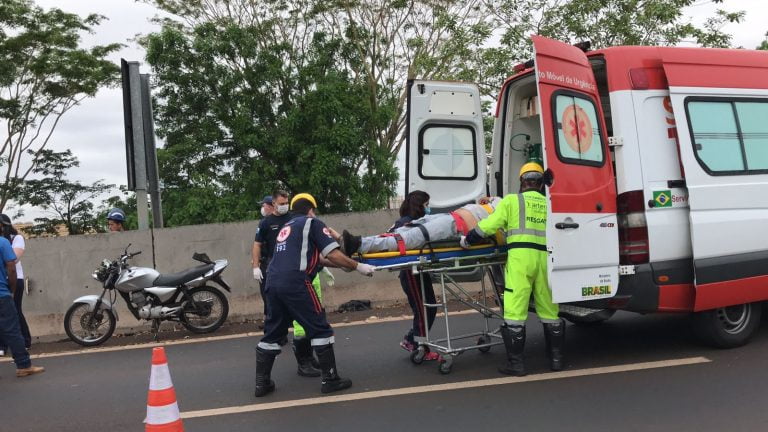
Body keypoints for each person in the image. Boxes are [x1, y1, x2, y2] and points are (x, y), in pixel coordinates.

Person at [255, 193, 376, 397]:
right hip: (297, 283)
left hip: (273, 283)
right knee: (320, 329)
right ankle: (330, 380)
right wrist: (359, 266)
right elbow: (333, 253)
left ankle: (261, 384)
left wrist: (344, 266)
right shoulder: (312, 223)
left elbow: (317, 258)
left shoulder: (287, 227)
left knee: (273, 332)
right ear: (311, 210)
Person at [460, 162, 564, 376]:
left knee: (515, 311)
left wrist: (468, 239)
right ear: (541, 183)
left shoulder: (511, 201)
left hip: (520, 259)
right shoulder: (550, 203)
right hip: (546, 258)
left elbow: (488, 226)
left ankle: (516, 364)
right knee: (549, 309)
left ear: (522, 181)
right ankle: (556, 360)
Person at [339, 196, 503, 256]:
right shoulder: (505, 201)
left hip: (456, 227)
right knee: (404, 230)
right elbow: (490, 199)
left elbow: (494, 234)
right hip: (450, 217)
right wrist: (488, 200)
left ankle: (360, 245)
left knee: (409, 238)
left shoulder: (510, 214)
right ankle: (356, 243)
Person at [390, 191, 439, 360]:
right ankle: (420, 347)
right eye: (426, 205)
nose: (429, 208)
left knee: (429, 307)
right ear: (419, 206)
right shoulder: (405, 223)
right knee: (423, 310)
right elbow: (390, 238)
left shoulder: (418, 222)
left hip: (419, 270)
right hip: (411, 273)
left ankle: (412, 340)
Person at [0, 220, 44, 377]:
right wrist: (11, 290)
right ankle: (24, 366)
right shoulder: (3, 242)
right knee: (13, 330)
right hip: (2, 295)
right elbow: (11, 268)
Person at [0, 214, 31, 355]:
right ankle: (2, 346)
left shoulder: (16, 238)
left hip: (15, 279)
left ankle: (25, 341)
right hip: (2, 279)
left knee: (15, 310)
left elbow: (14, 259)